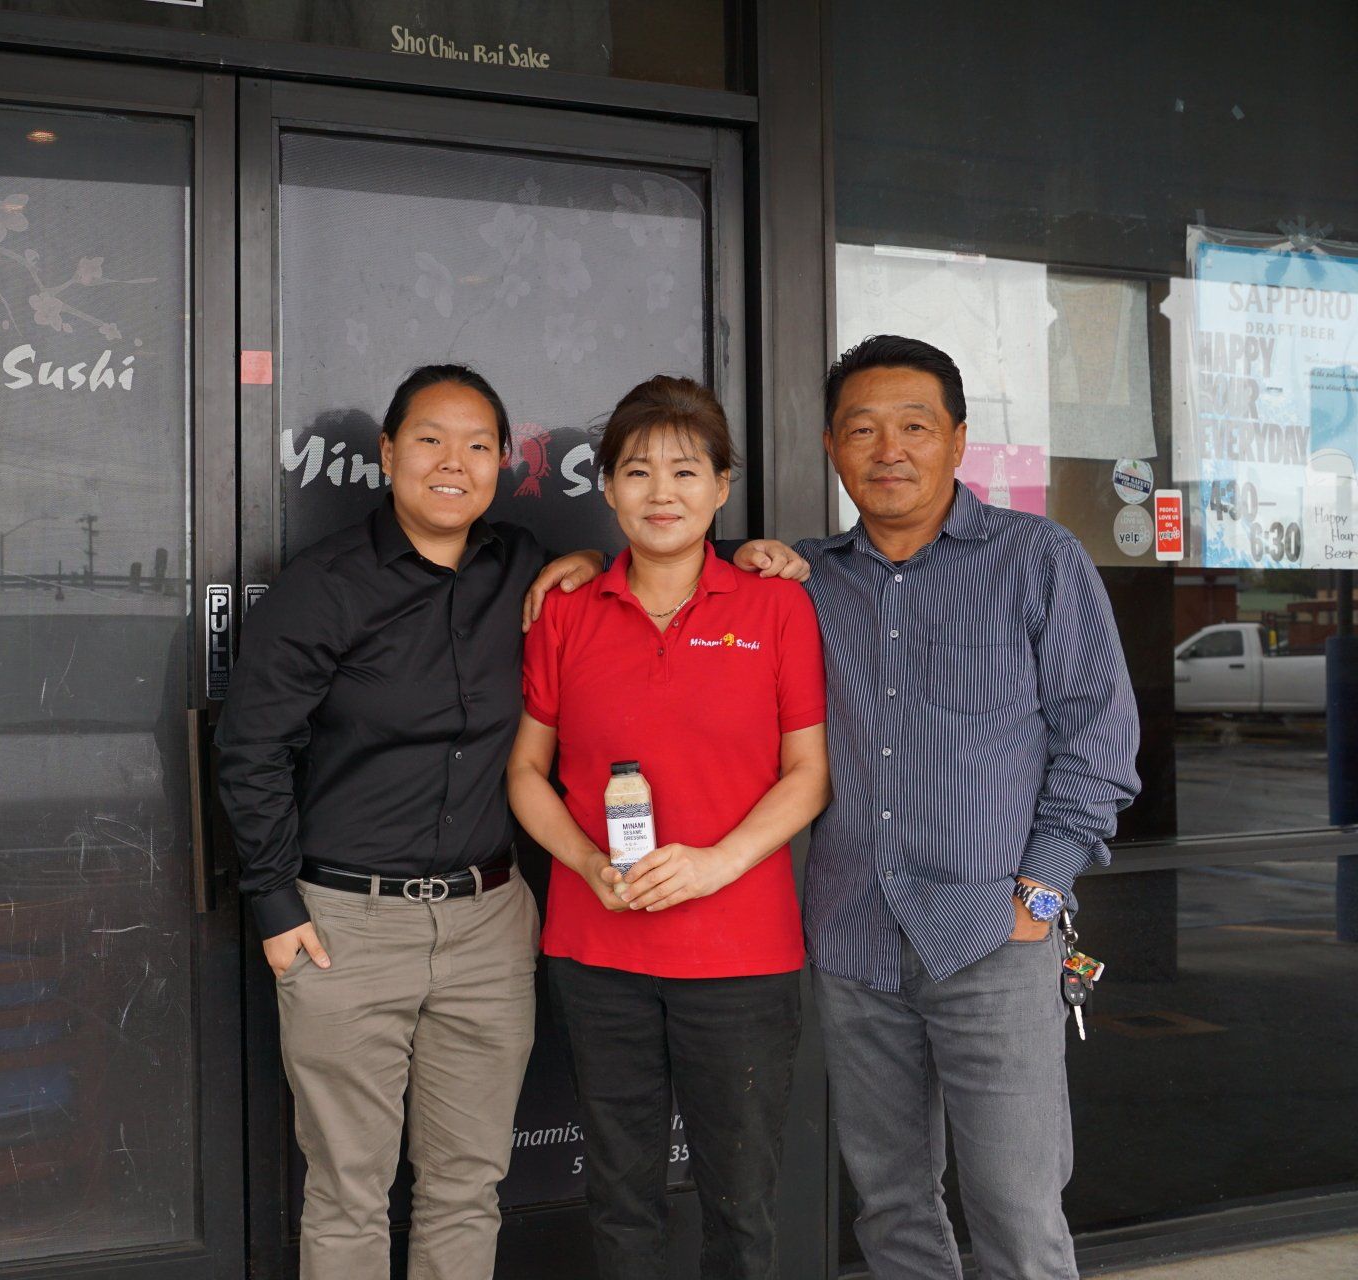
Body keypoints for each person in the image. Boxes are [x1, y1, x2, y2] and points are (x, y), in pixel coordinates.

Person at [216, 364, 808, 1279]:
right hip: (346, 925)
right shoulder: (326, 586)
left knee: (468, 1185)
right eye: (429, 440)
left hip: (490, 922)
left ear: (502, 463)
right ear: (387, 453)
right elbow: (249, 748)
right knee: (347, 1191)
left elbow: (798, 756)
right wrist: (274, 907)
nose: (453, 462)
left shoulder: (531, 570)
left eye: (478, 445)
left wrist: (753, 553)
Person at [740, 335, 1141, 1278]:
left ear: (959, 441)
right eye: (863, 429)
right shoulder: (801, 580)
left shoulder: (1036, 559)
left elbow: (1099, 743)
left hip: (991, 935)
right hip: (851, 938)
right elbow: (667, 569)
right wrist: (576, 573)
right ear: (832, 447)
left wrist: (1038, 896)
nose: (890, 450)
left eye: (914, 426)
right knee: (890, 1208)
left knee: (1016, 1212)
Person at [506, 375, 829, 1280]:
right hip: (597, 949)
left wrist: (719, 863)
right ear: (605, 488)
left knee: (742, 1204)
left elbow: (808, 776)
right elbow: (526, 773)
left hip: (742, 956)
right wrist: (584, 858)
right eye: (637, 471)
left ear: (721, 487)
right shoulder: (564, 612)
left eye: (686, 471)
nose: (661, 493)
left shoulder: (776, 607)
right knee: (620, 1198)